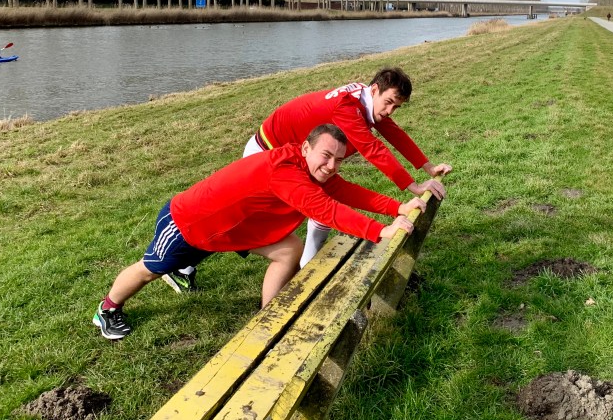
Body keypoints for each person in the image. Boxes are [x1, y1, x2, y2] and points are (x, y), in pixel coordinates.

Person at [93, 123, 423, 340]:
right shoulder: (286, 171)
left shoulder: (310, 167)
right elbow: (327, 210)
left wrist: (398, 208)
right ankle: (107, 310)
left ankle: (270, 318)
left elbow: (346, 191)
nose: (332, 166)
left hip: (237, 228)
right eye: (326, 156)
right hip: (191, 223)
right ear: (306, 148)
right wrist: (380, 231)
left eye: (339, 159)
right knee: (149, 270)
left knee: (289, 249)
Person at [163, 67, 452, 293]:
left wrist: (426, 167)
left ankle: (308, 269)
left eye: (396, 107)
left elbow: (393, 132)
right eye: (388, 103)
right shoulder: (347, 108)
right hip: (267, 153)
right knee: (241, 222)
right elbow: (372, 149)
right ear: (374, 90)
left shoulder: (367, 101)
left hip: (303, 158)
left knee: (319, 212)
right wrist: (413, 187)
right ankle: (182, 265)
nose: (389, 111)